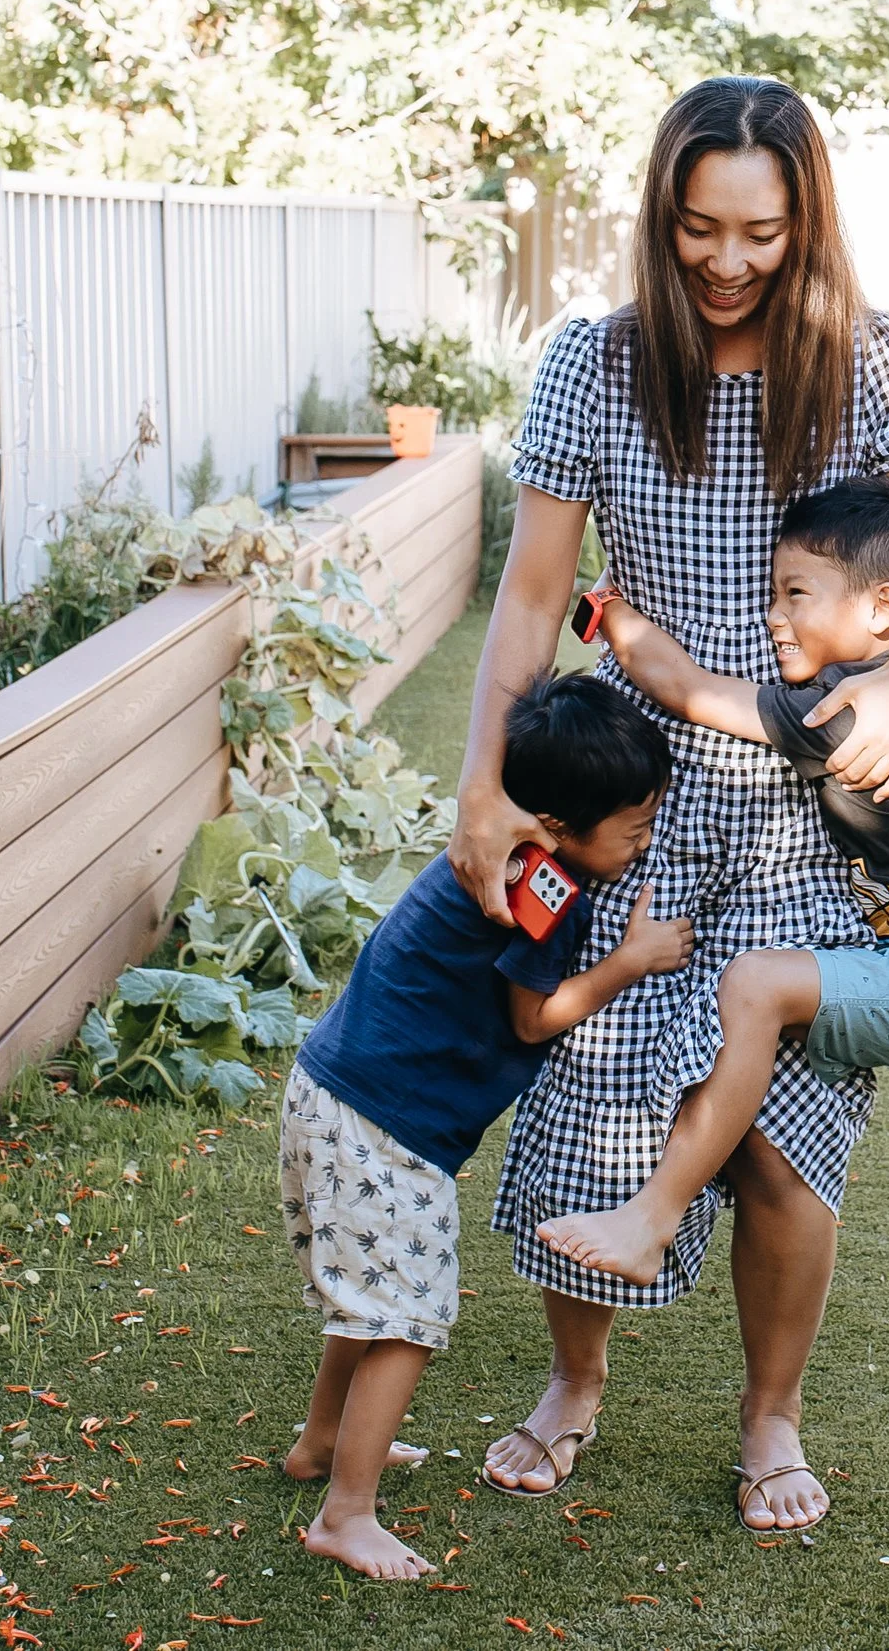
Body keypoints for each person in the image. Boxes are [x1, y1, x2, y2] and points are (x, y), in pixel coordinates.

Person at [450, 75, 889, 1533]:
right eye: (698, 227)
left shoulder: (868, 355)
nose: (729, 261)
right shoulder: (594, 362)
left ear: (807, 222)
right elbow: (534, 594)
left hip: (817, 811)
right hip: (639, 800)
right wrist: (487, 782)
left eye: (761, 231)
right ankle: (575, 1379)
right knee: (590, 1091)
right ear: (659, 217)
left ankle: (770, 1414)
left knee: (786, 1129)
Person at [539, 475, 889, 1303]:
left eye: (795, 594)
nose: (772, 616)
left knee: (754, 985)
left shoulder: (836, 710)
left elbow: (682, 686)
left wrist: (606, 606)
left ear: (881, 607)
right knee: (757, 1001)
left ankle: (653, 1216)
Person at [279, 673, 691, 1579]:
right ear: (561, 823)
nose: (645, 838)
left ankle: (322, 1441)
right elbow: (533, 1020)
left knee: (374, 1298)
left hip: (335, 1090)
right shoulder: (547, 885)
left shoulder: (502, 847)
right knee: (407, 1318)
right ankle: (346, 1513)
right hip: (382, 1124)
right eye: (633, 827)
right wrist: (632, 960)